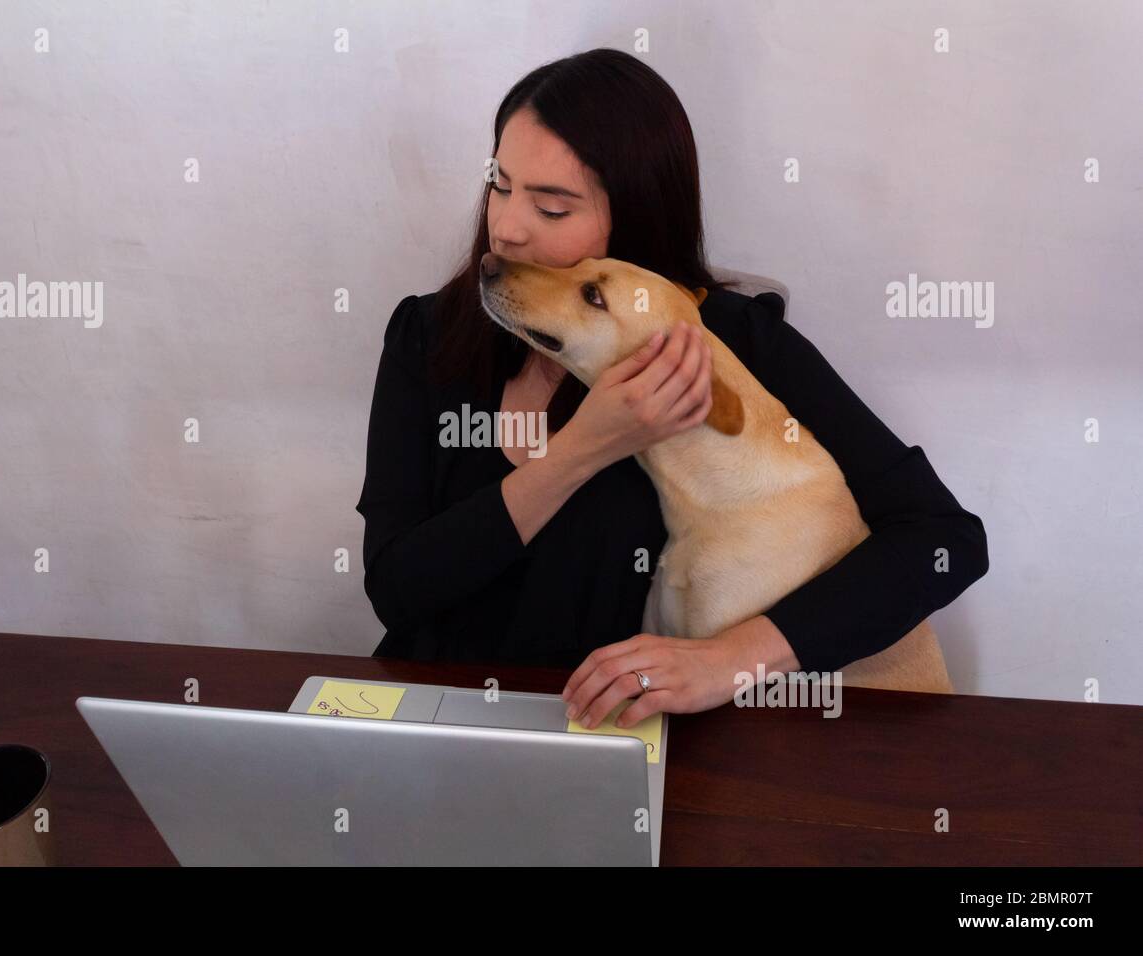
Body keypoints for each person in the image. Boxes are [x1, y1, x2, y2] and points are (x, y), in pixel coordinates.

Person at [354, 49, 988, 729]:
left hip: (625, 742)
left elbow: (941, 542)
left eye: (553, 207)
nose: (506, 227)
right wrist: (583, 450)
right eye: (501, 185)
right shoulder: (428, 334)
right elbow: (397, 590)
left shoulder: (725, 344)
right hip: (436, 722)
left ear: (631, 220)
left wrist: (732, 658)